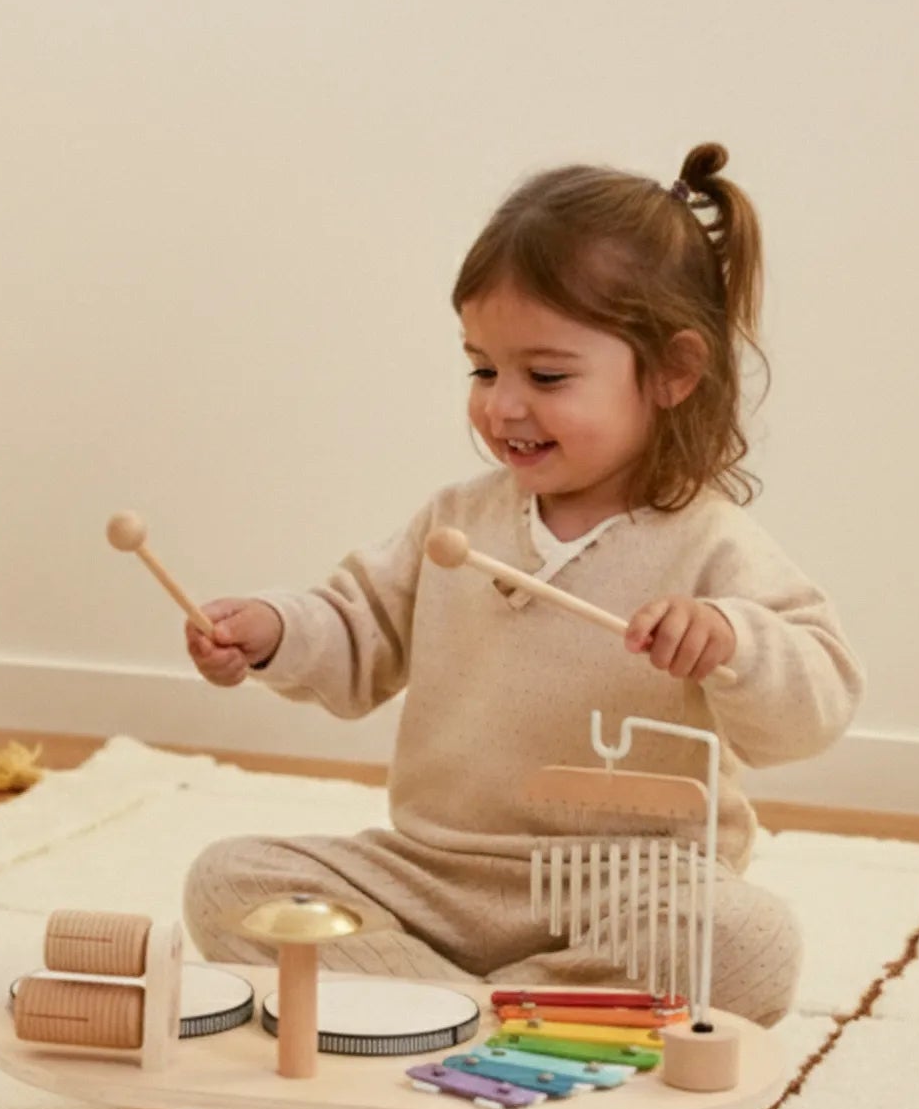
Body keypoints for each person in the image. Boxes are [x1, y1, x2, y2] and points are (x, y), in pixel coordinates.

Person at [181, 143, 863, 1027]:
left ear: (672, 373)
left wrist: (732, 643)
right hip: (432, 876)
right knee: (231, 880)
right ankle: (481, 1011)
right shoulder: (457, 521)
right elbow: (356, 630)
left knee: (746, 941)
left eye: (544, 376)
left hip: (631, 889)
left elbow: (818, 698)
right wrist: (272, 629)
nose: (502, 405)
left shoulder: (711, 543)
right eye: (482, 368)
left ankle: (428, 1011)